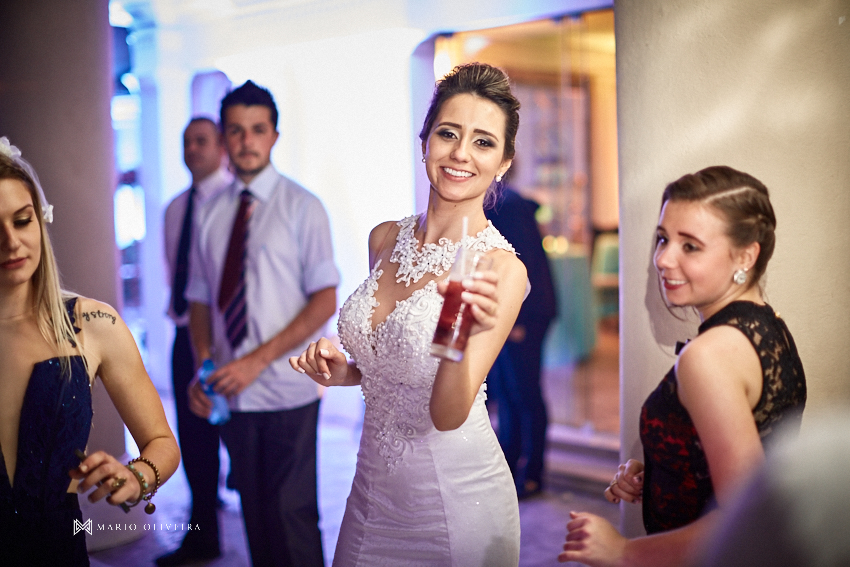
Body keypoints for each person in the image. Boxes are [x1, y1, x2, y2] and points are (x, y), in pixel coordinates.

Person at [291, 63, 528, 566]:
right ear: (425, 143)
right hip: (371, 490)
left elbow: (446, 413)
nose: (461, 153)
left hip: (455, 501)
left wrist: (459, 329)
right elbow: (396, 366)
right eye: (448, 133)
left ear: (504, 162)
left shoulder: (499, 269)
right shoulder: (384, 238)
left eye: (483, 142)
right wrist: (348, 373)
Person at [558, 166, 807, 567]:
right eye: (663, 239)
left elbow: (744, 519)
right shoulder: (768, 324)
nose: (663, 259)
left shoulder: (707, 356)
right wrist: (663, 463)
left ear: (745, 255)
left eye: (690, 246)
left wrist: (621, 550)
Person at [0, 137, 180, 566]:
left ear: (40, 222)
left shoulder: (94, 324)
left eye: (22, 221)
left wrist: (136, 477)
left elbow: (161, 443)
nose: (10, 242)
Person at [185, 81, 338, 567]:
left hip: (290, 387)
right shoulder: (208, 214)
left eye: (258, 130)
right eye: (236, 131)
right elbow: (200, 302)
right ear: (225, 138)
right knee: (255, 519)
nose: (247, 141)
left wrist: (255, 361)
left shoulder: (303, 207)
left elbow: (324, 300)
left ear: (274, 136)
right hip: (233, 394)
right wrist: (204, 367)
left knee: (292, 517)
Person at [156, 117, 232, 566]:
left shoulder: (237, 202)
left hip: (230, 338)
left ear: (220, 146)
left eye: (201, 141)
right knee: (194, 437)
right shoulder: (174, 209)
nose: (192, 149)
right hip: (187, 334)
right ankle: (203, 532)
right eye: (186, 142)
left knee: (234, 435)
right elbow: (176, 271)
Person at [486, 185, 558, 499]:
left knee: (526, 394)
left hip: (526, 315)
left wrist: (518, 321)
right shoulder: (499, 202)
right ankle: (510, 469)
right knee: (508, 393)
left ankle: (534, 474)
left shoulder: (509, 205)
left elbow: (525, 262)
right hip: (507, 314)